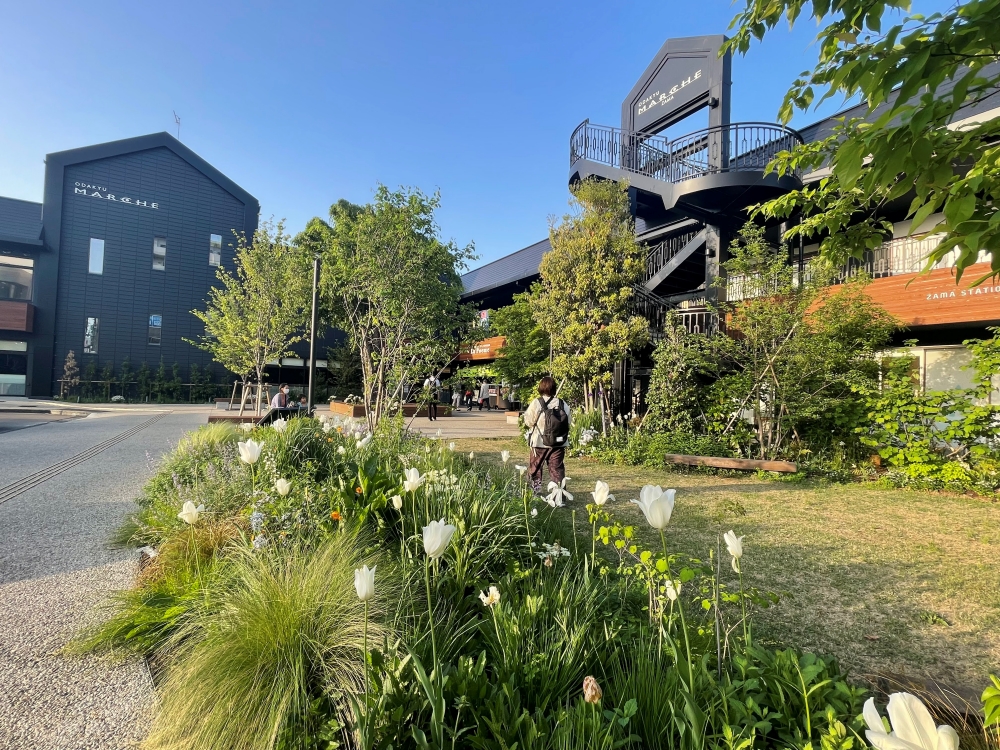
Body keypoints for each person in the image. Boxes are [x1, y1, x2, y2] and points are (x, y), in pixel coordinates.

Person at [523, 376, 571, 495]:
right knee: (557, 469)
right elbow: (568, 422)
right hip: (558, 443)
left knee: (535, 468)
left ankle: (535, 493)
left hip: (539, 442)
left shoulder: (537, 402)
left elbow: (529, 421)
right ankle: (559, 496)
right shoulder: (562, 403)